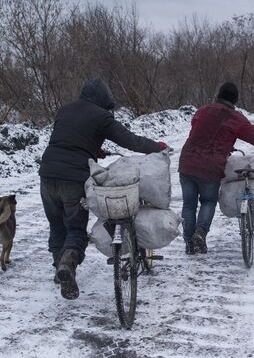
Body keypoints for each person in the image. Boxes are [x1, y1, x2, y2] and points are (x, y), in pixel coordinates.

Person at [39, 78, 168, 300]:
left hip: (47, 174)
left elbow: (70, 138)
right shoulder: (101, 116)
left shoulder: (65, 110)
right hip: (73, 177)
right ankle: (68, 264)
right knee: (76, 228)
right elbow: (131, 141)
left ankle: (58, 265)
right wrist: (157, 147)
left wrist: (93, 148)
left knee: (56, 224)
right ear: (103, 100)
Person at [178, 82, 254, 255]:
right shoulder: (235, 118)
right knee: (208, 201)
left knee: (188, 204)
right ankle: (200, 233)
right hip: (209, 168)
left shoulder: (202, 111)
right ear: (235, 100)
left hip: (187, 162)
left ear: (218, 95)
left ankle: (189, 243)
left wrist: (224, 144)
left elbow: (201, 132)